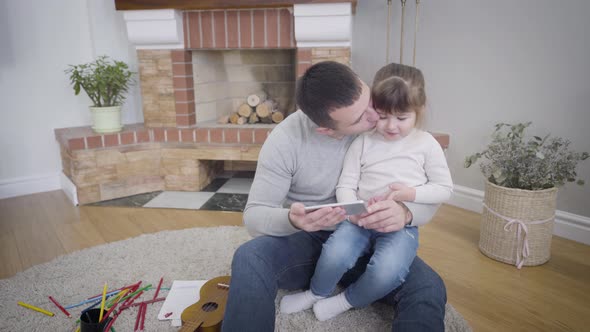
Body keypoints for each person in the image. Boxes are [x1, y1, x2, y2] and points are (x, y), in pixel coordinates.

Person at [221, 61, 447, 332]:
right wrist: (293, 220)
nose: (376, 118)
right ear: (326, 129)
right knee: (249, 257)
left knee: (428, 287)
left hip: (373, 237)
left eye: (369, 102)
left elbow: (431, 193)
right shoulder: (284, 141)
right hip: (312, 239)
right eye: (360, 118)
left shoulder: (389, 122)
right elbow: (254, 217)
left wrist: (406, 213)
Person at [279, 63, 453, 322]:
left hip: (399, 228)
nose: (391, 126)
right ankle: (316, 292)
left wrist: (410, 195)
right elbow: (346, 184)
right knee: (334, 253)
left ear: (420, 110)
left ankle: (347, 300)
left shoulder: (426, 145)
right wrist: (353, 213)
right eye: (382, 116)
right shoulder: (363, 141)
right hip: (358, 221)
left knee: (388, 271)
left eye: (402, 118)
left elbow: (444, 189)